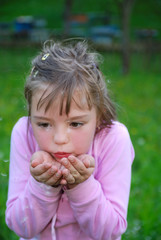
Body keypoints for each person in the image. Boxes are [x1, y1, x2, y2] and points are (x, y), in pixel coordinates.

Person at [5, 40, 135, 240]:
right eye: (43, 124)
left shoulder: (114, 138)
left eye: (75, 124)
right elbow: (21, 228)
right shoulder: (24, 132)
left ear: (98, 115)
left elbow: (110, 231)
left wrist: (81, 186)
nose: (59, 139)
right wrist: (43, 185)